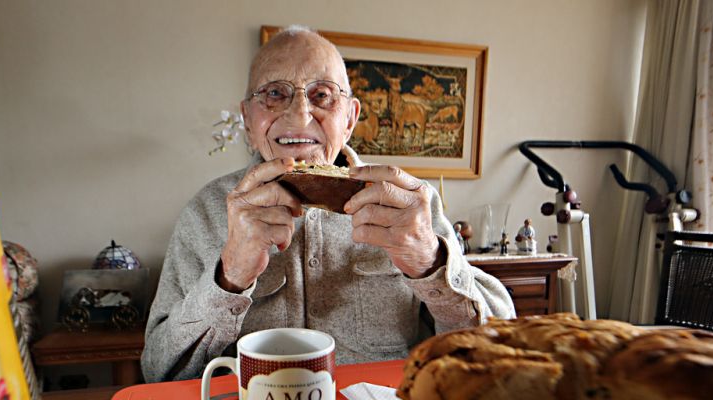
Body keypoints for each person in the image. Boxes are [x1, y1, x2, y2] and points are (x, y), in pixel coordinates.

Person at [141, 26, 515, 382]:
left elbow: (502, 349)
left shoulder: (409, 204)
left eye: (322, 95)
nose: (300, 115)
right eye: (274, 94)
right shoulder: (206, 211)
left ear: (349, 118)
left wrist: (430, 262)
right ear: (248, 121)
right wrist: (229, 277)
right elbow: (159, 371)